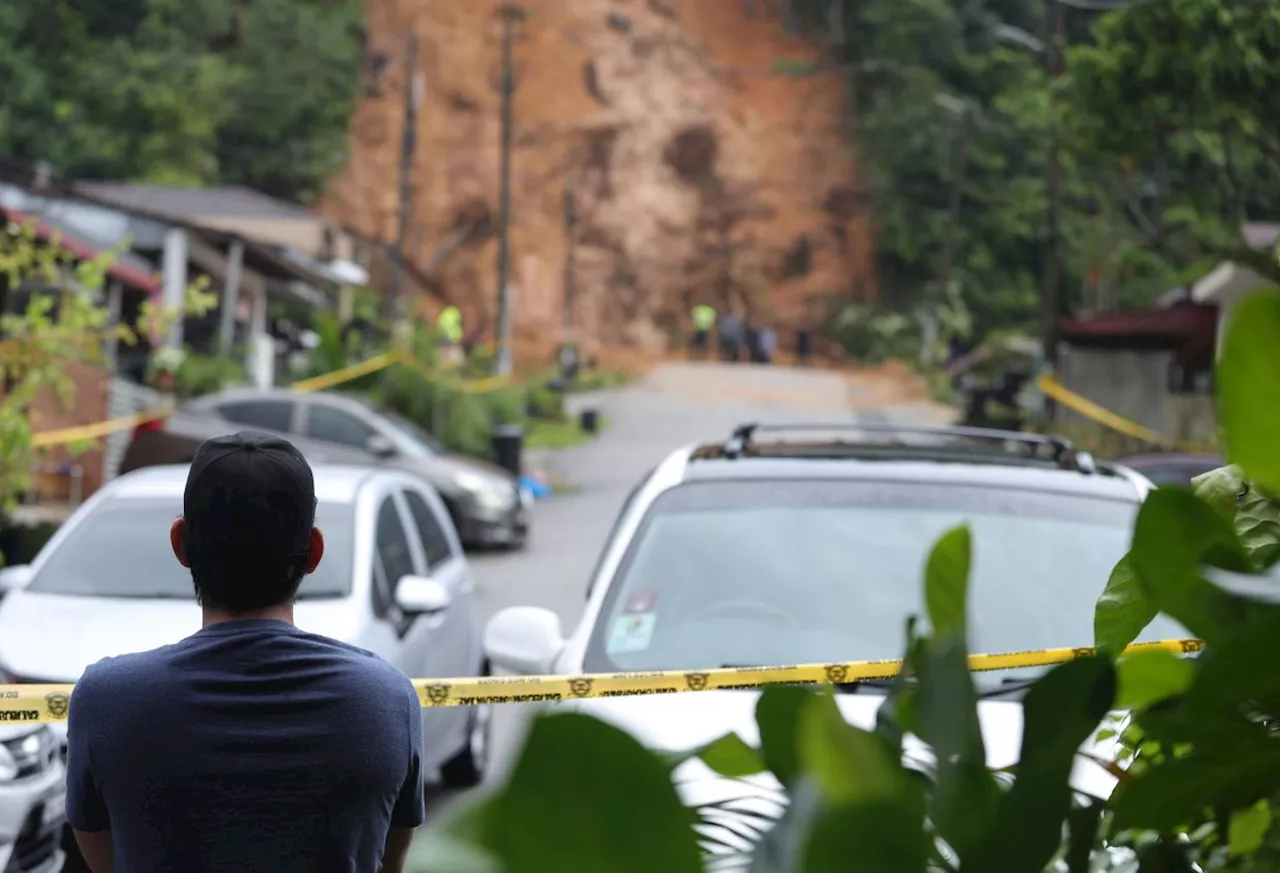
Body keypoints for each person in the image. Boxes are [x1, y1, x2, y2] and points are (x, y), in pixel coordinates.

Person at [66, 431, 426, 873]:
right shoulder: (387, 700)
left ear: (180, 544)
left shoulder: (106, 702)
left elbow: (106, 859)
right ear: (314, 552)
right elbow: (389, 861)